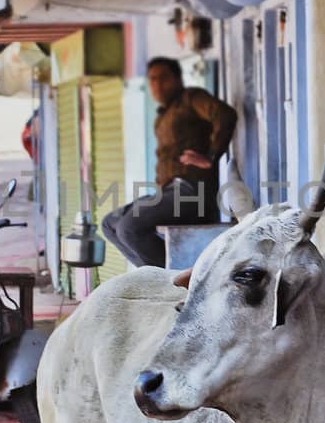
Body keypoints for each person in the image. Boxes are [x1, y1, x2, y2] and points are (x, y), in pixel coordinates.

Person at [102, 56, 238, 269]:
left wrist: (211, 155)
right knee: (110, 223)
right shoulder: (163, 115)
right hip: (169, 191)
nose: (157, 84)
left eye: (163, 78)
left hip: (193, 192)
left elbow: (225, 114)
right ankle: (152, 275)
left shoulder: (191, 98)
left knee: (130, 227)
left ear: (177, 79)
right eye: (152, 79)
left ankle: (172, 282)